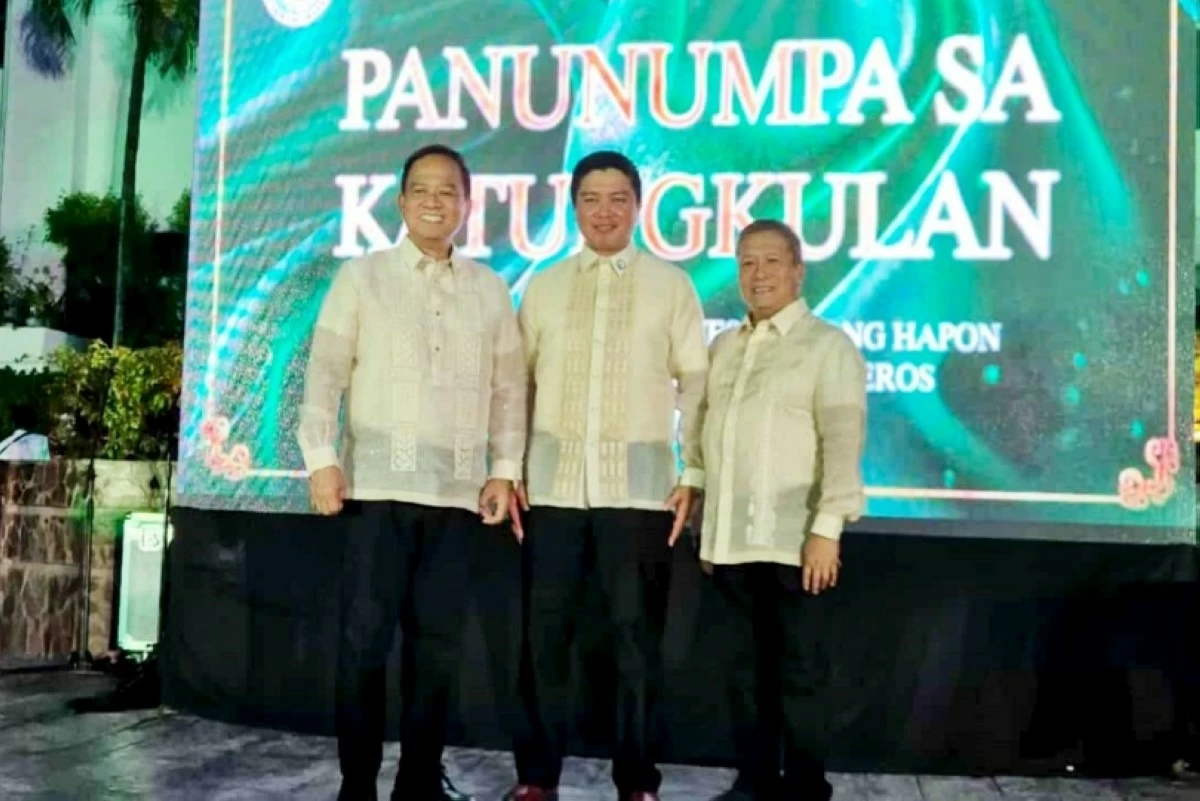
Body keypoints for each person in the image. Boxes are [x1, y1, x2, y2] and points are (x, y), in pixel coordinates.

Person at [297, 144, 526, 801]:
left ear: (466, 204)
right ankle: (357, 785)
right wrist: (322, 459)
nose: (434, 200)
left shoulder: (488, 288)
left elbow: (509, 389)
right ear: (400, 203)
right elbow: (324, 374)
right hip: (374, 491)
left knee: (438, 652)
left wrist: (504, 468)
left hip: (456, 497)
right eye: (421, 190)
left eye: (448, 190)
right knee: (364, 646)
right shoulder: (362, 277)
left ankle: (419, 781)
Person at [506, 151, 709, 801]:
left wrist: (695, 466)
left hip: (641, 494)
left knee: (636, 645)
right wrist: (508, 468)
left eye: (618, 197)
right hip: (553, 490)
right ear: (574, 207)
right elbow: (516, 386)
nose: (604, 210)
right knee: (543, 641)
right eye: (591, 198)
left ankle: (637, 782)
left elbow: (698, 382)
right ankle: (537, 777)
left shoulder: (670, 285)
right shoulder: (544, 285)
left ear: (637, 204)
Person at [697, 219, 867, 801]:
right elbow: (703, 433)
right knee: (743, 675)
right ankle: (754, 781)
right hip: (731, 540)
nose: (758, 274)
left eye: (772, 262)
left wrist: (827, 528)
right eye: (747, 263)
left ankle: (803, 787)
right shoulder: (724, 347)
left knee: (800, 675)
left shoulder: (828, 346)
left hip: (798, 540)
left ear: (798, 271)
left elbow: (843, 442)